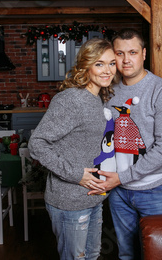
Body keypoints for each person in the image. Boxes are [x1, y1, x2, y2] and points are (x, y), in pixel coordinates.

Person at [91, 29, 162, 259]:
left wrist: (121, 178)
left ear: (143, 54)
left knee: (161, 254)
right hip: (118, 192)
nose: (125, 60)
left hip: (155, 190)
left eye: (132, 52)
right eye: (119, 53)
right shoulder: (107, 90)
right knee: (127, 254)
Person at [28, 38, 118, 260]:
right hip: (69, 201)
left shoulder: (97, 98)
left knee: (92, 255)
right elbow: (37, 144)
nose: (107, 70)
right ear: (85, 66)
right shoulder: (71, 99)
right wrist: (77, 175)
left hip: (93, 197)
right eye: (99, 64)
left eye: (112, 63)